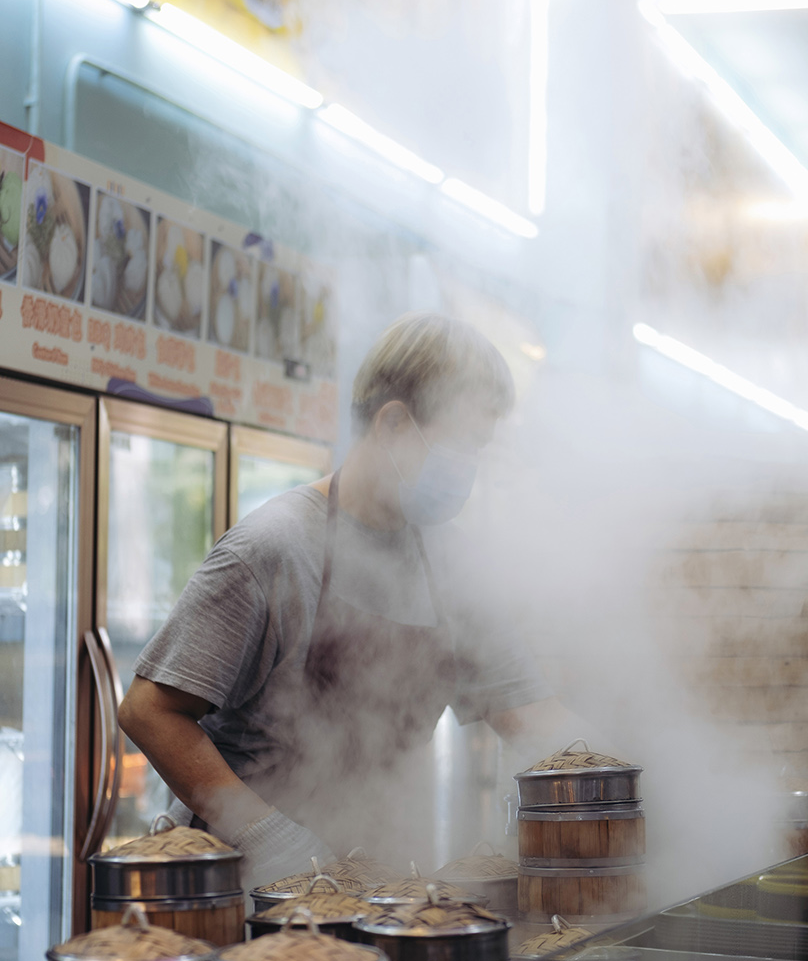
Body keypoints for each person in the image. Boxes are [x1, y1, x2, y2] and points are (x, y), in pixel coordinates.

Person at [119, 313, 584, 890]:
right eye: (462, 446)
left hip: (379, 886)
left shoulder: (453, 568)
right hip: (249, 895)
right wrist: (265, 834)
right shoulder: (273, 549)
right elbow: (149, 710)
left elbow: (530, 714)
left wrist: (624, 778)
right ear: (392, 424)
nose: (469, 471)